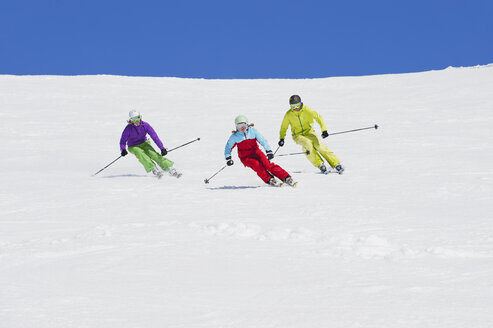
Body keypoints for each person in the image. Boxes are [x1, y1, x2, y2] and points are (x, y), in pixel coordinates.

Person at [278, 95, 344, 174]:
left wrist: (324, 130)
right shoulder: (289, 114)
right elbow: (283, 127)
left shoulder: (307, 110)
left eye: (297, 105)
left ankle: (335, 163)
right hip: (297, 136)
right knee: (307, 143)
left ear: (301, 103)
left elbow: (318, 118)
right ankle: (319, 164)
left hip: (309, 132)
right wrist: (282, 138)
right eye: (293, 106)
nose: (295, 108)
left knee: (319, 145)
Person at [225, 115, 296, 186]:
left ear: (247, 124)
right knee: (256, 164)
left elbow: (262, 140)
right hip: (245, 157)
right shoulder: (234, 137)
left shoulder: (253, 131)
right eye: (239, 126)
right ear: (236, 127)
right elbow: (228, 147)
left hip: (256, 152)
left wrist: (269, 151)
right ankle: (270, 179)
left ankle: (286, 177)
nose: (242, 127)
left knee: (267, 164)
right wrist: (228, 158)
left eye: (244, 125)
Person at [120, 110, 181, 179]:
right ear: (130, 120)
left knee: (153, 154)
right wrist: (123, 149)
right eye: (133, 119)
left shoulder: (145, 125)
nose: (136, 121)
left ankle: (169, 168)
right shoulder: (128, 129)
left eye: (138, 118)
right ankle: (154, 169)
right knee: (140, 153)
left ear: (140, 117)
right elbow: (122, 141)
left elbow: (154, 137)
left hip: (144, 143)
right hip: (133, 146)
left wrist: (162, 148)